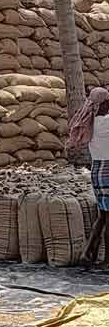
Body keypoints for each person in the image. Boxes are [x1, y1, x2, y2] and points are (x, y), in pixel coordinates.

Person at [68, 87, 109, 267]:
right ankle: (107, 259)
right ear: (105, 103)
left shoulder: (91, 124)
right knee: (108, 219)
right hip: (108, 170)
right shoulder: (106, 123)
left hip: (96, 170)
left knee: (102, 216)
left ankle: (87, 253)